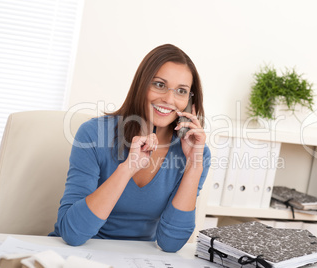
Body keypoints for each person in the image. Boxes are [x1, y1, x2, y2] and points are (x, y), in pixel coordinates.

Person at [49, 44, 211, 253]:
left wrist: (194, 166)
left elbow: (170, 244)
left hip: (137, 259)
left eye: (181, 91)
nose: (169, 100)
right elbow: (72, 233)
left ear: (191, 101)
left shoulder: (196, 153)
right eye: (159, 85)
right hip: (76, 254)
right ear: (141, 85)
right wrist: (127, 168)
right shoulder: (93, 134)